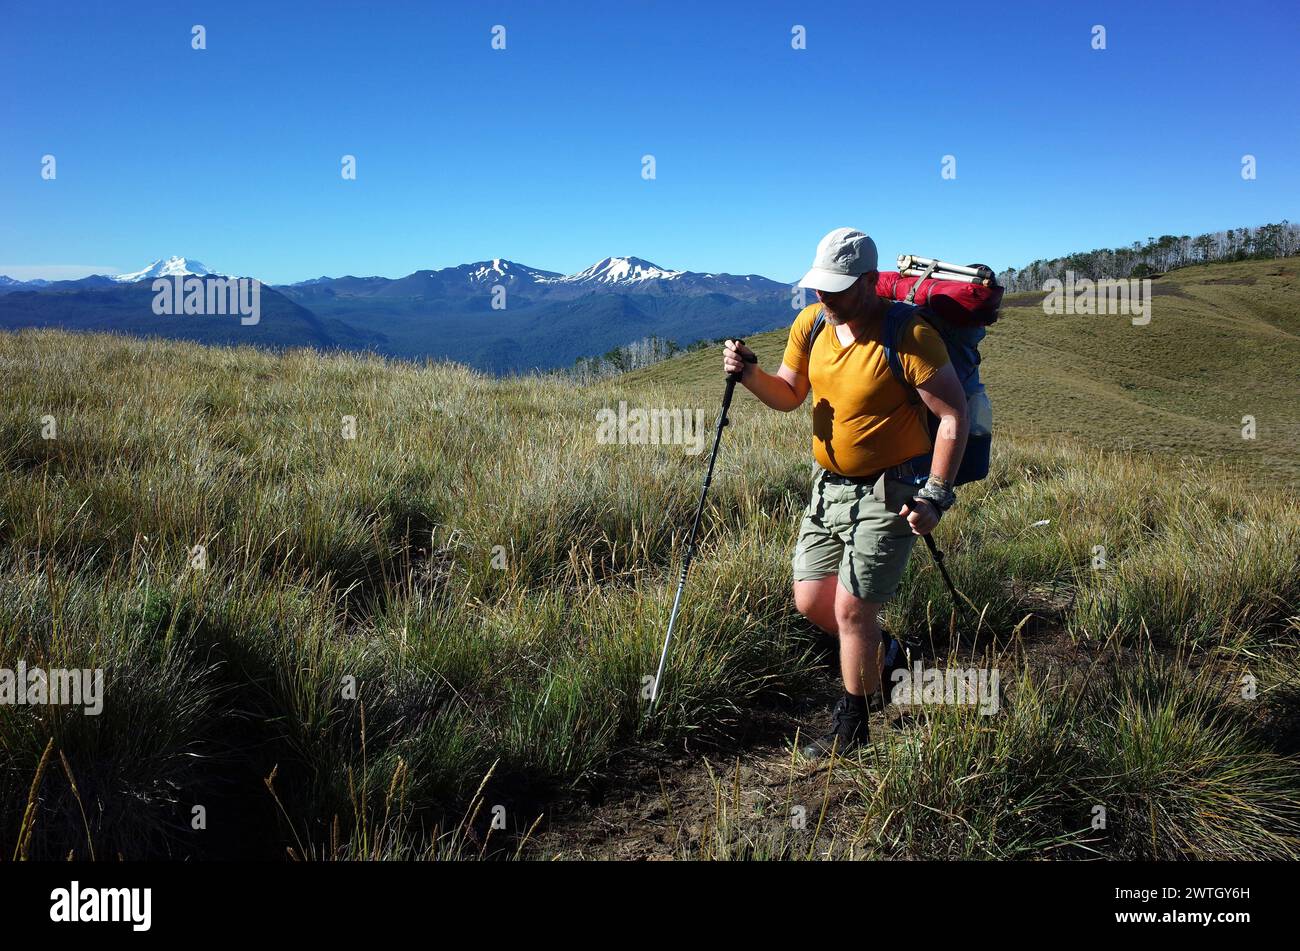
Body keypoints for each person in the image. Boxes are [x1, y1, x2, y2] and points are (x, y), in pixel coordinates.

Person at [723, 227, 969, 757]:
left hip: (892, 490)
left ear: (868, 283)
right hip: (828, 488)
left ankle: (854, 724)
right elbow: (790, 395)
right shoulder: (812, 324)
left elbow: (952, 416)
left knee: (855, 612)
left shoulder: (908, 335)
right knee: (812, 601)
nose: (823, 297)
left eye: (836, 287)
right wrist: (749, 375)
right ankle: (891, 655)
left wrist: (936, 496)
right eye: (818, 286)